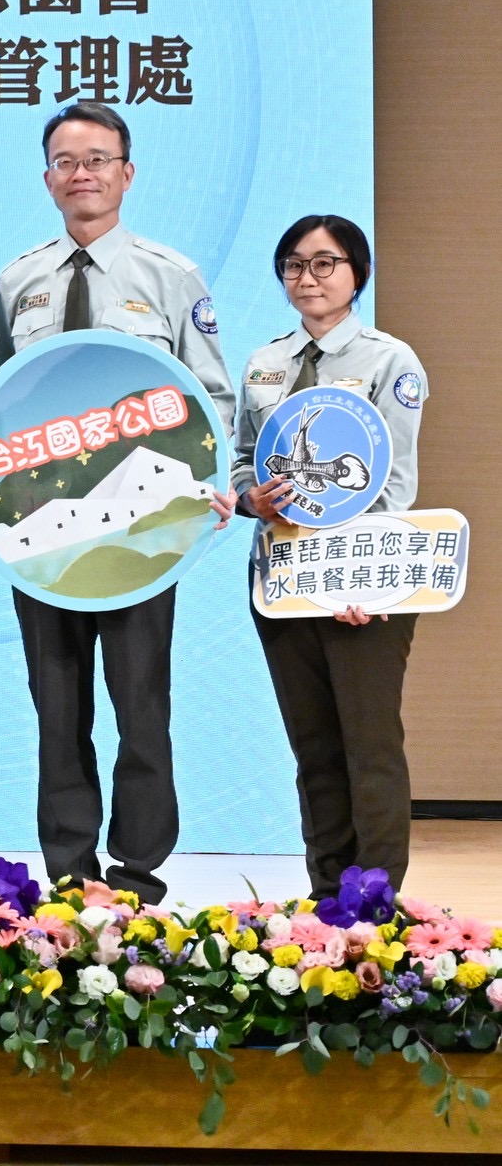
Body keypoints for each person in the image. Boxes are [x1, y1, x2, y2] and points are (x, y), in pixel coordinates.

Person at [0, 98, 233, 899]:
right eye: (66, 161)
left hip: (144, 529)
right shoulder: (18, 282)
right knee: (56, 708)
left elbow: (211, 396)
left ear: (127, 174)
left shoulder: (171, 276)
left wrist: (209, 487)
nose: (82, 174)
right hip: (41, 532)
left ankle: (137, 871)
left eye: (97, 159)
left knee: (140, 703)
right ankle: (69, 871)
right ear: (48, 179)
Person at [232, 215, 428, 896]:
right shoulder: (264, 363)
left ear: (357, 273)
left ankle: (374, 901)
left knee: (369, 747)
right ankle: (326, 899)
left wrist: (361, 583)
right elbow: (242, 460)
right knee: (313, 749)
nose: (307, 277)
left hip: (361, 580)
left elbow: (394, 485)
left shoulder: (390, 361)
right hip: (282, 578)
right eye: (293, 264)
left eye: (324, 263)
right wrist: (251, 498)